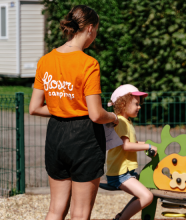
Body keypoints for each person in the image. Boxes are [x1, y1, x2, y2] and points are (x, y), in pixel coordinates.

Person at [29, 5, 119, 220]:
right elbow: (96, 114)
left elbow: (34, 108)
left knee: (55, 208)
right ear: (89, 28)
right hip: (84, 137)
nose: (95, 35)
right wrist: (114, 116)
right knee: (80, 213)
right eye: (96, 30)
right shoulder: (89, 63)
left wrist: (63, 106)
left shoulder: (46, 61)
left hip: (55, 135)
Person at [105, 84, 157, 220]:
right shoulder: (121, 122)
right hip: (120, 173)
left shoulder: (126, 122)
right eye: (136, 104)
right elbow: (126, 146)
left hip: (125, 172)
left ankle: (120, 217)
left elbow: (131, 143)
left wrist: (148, 144)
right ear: (123, 104)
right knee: (147, 196)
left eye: (139, 104)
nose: (139, 107)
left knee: (144, 191)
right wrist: (147, 146)